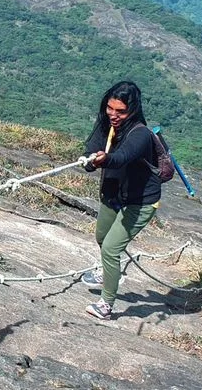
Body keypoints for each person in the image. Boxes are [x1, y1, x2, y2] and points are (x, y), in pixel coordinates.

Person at [80, 81, 162, 320]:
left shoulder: (141, 134)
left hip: (140, 201)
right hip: (113, 193)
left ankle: (106, 305)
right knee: (102, 238)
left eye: (120, 111)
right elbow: (91, 149)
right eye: (110, 108)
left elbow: (121, 158)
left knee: (111, 248)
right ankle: (107, 271)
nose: (113, 115)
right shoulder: (106, 123)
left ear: (133, 110)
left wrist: (103, 160)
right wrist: (89, 159)